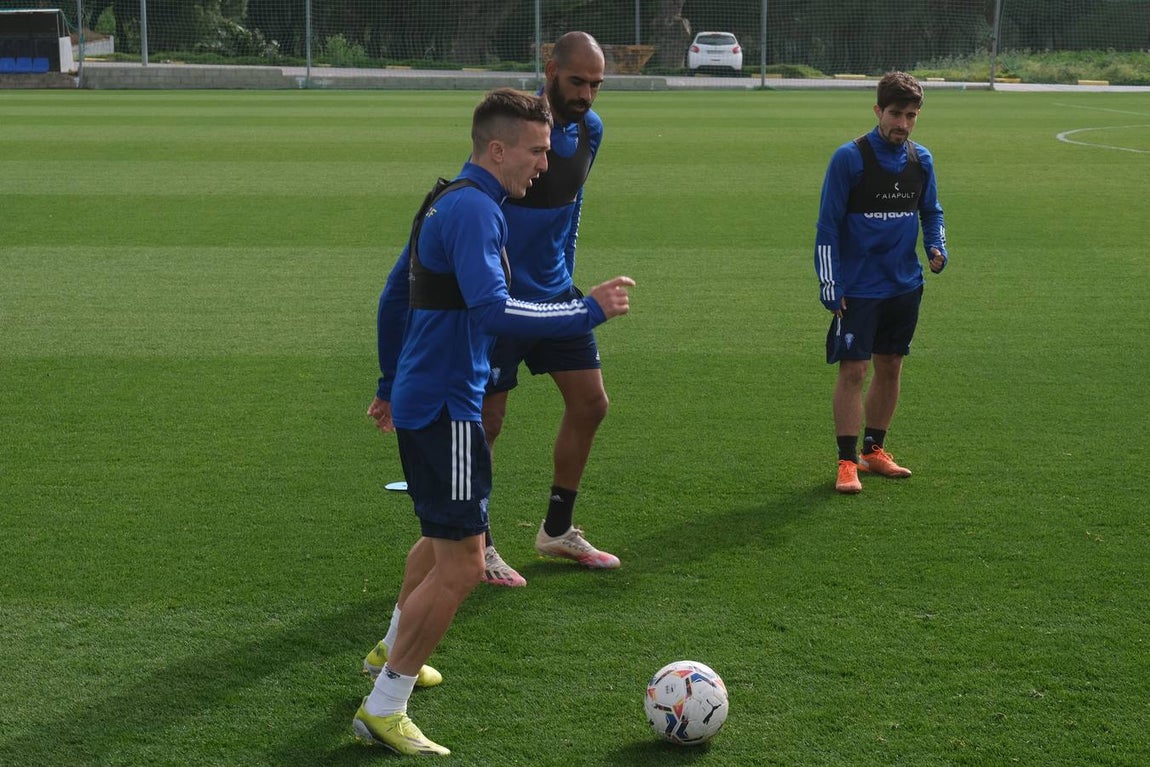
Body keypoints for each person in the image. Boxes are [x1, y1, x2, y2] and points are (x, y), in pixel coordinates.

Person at [353, 88, 634, 756]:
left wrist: (391, 381)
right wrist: (586, 311)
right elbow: (495, 312)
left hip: (429, 395)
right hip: (451, 405)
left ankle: (388, 651)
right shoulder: (477, 211)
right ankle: (384, 704)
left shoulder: (444, 198)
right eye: (537, 150)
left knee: (442, 539)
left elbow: (395, 298)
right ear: (498, 147)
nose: (545, 163)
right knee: (463, 564)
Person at [481, 31, 614, 587]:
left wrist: (566, 273)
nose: (586, 93)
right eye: (578, 81)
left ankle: (557, 530)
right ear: (551, 67)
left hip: (556, 294)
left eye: (596, 85)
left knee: (591, 404)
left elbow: (573, 207)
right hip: (501, 300)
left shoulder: (592, 130)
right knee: (486, 424)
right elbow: (478, 203)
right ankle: (479, 545)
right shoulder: (515, 130)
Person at [813, 71, 948, 495]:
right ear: (877, 111)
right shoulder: (849, 159)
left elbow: (932, 211)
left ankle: (875, 451)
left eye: (911, 116)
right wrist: (829, 283)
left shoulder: (920, 160)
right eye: (895, 114)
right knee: (854, 370)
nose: (903, 124)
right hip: (857, 288)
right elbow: (827, 227)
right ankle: (847, 461)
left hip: (904, 285)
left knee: (891, 365)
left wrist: (936, 246)